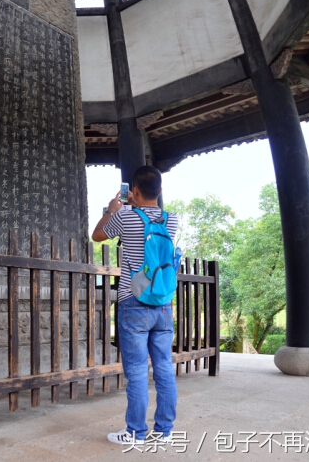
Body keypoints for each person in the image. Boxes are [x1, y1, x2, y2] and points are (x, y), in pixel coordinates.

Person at [91, 165, 178, 446]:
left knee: (138, 371)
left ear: (134, 191)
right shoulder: (171, 220)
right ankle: (164, 431)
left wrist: (112, 208)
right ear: (161, 191)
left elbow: (97, 235)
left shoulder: (126, 218)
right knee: (164, 367)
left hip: (134, 301)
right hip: (163, 304)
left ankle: (135, 432)